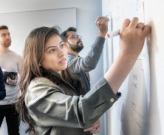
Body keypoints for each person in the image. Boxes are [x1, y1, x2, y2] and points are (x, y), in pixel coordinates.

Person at [15, 17, 150, 135]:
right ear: (37, 59)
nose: (62, 53)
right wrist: (127, 55)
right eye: (52, 50)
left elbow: (77, 111)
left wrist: (91, 116)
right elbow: (81, 111)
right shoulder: (36, 89)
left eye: (61, 45)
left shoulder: (63, 75)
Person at [61, 16, 109, 92]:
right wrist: (101, 34)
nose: (79, 38)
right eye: (74, 36)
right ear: (65, 45)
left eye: (78, 36)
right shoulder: (67, 61)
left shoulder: (76, 58)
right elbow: (89, 63)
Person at [0, 25, 22, 135]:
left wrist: (16, 80)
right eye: (4, 35)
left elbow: (25, 78)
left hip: (14, 104)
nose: (7, 37)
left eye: (8, 34)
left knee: (14, 133)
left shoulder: (17, 57)